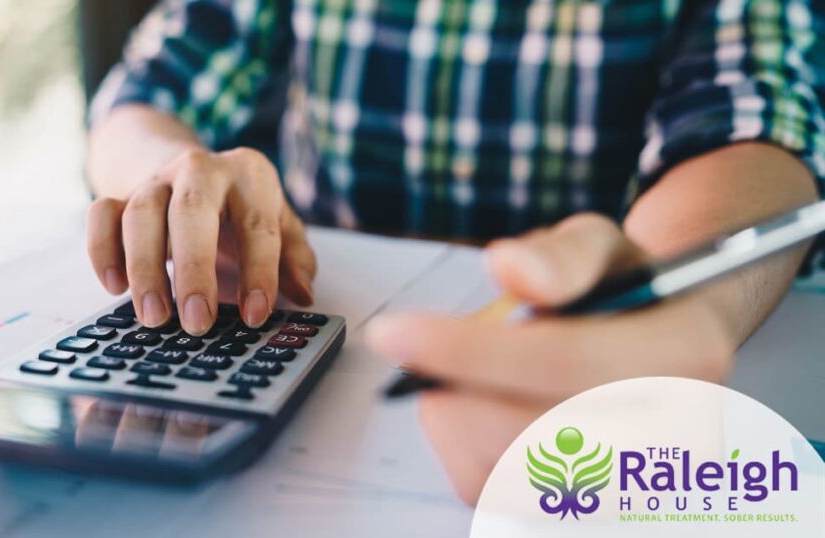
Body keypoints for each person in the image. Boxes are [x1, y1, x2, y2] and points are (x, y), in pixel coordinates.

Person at [84, 0, 824, 504]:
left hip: (564, 346)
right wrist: (168, 178)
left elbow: (755, 127)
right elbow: (148, 94)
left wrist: (673, 302)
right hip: (317, 340)